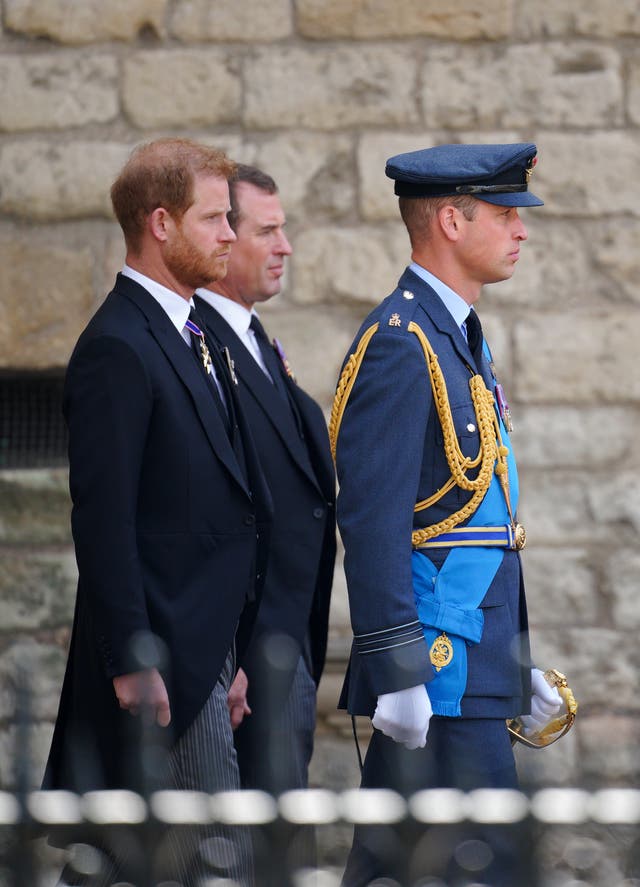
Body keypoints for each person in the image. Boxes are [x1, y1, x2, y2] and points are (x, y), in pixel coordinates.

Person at [330, 143, 562, 886]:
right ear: (452, 221)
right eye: (503, 214)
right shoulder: (401, 345)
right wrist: (398, 670)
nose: (521, 230)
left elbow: (484, 517)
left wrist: (513, 659)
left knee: (406, 864)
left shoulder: (455, 335)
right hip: (433, 670)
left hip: (470, 660)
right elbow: (372, 519)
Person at [42, 138, 272, 886]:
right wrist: (136, 656)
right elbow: (103, 521)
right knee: (212, 859)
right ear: (161, 223)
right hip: (164, 655)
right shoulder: (118, 345)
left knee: (165, 859)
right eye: (215, 219)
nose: (231, 235)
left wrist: (230, 656)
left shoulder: (187, 334)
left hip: (205, 650)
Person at [194, 164, 336, 798]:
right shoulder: (198, 344)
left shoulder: (252, 339)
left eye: (285, 231)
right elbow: (206, 514)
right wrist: (230, 656)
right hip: (249, 653)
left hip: (287, 638)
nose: (285, 247)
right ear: (222, 239)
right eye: (268, 231)